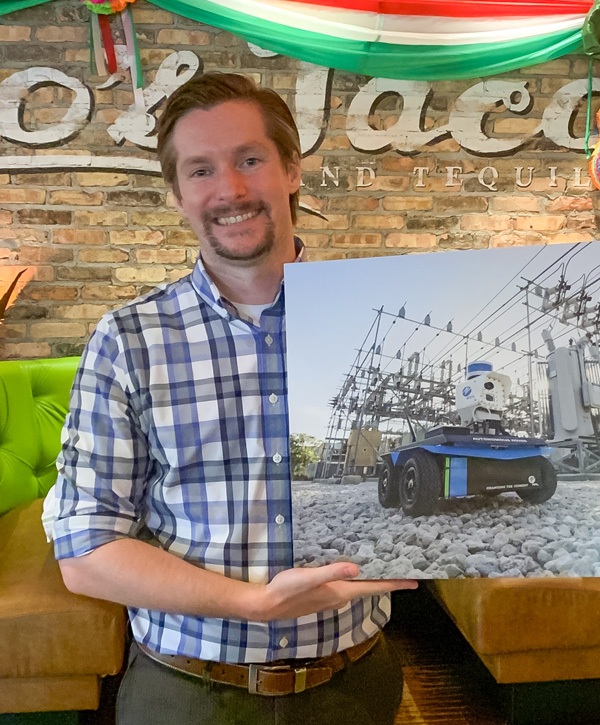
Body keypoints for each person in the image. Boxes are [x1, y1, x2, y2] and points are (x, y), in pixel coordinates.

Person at [52, 72, 417, 725]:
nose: (231, 190)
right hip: (188, 696)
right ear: (177, 195)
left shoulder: (374, 321)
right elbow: (85, 550)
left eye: (250, 159)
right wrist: (251, 602)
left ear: (292, 170)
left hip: (355, 686)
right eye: (200, 170)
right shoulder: (128, 339)